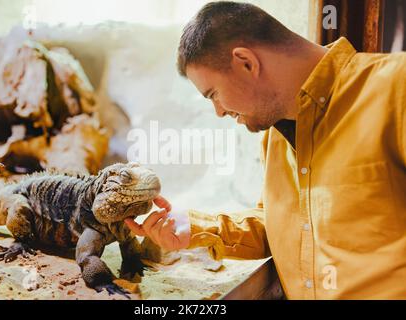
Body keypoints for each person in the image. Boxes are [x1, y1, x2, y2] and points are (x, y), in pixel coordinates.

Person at [125, 1, 406, 299]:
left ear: (246, 62)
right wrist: (196, 227)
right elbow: (285, 227)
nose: (219, 111)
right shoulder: (275, 136)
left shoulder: (394, 86)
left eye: (213, 94)